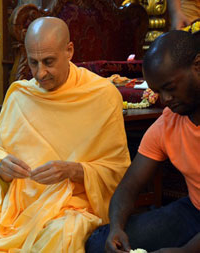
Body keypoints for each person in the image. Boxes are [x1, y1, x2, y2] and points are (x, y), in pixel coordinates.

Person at [0, 17, 130, 252]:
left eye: (49, 62)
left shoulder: (102, 95)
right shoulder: (20, 95)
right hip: (12, 204)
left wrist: (74, 170)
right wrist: (3, 171)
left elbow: (117, 171)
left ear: (69, 51)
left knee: (63, 235)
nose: (40, 73)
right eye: (33, 63)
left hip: (68, 206)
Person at [85, 30, 200, 253]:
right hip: (194, 211)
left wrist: (186, 251)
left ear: (197, 65)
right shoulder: (167, 124)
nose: (165, 100)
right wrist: (117, 228)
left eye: (170, 88)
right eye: (158, 91)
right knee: (100, 244)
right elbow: (128, 187)